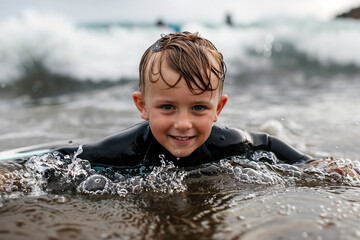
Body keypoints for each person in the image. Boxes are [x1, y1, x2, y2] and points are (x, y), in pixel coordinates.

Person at [55, 31, 314, 172]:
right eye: (167, 107)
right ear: (142, 106)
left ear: (218, 109)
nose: (183, 123)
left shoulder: (225, 141)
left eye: (199, 107)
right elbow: (65, 158)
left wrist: (312, 163)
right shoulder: (128, 148)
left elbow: (267, 143)